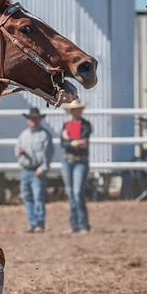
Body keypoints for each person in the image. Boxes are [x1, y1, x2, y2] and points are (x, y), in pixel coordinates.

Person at [15, 108, 53, 233]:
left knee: (38, 198)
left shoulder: (45, 135)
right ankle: (32, 223)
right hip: (26, 170)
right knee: (27, 197)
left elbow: (48, 154)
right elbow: (17, 150)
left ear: (39, 120)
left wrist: (43, 168)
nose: (33, 121)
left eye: (35, 119)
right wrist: (20, 154)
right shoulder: (23, 135)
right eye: (31, 119)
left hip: (38, 170)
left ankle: (39, 223)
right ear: (28, 120)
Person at [60, 99, 92, 233]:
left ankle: (82, 224)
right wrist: (75, 142)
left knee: (77, 192)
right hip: (69, 160)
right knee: (71, 193)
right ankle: (75, 224)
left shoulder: (85, 125)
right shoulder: (67, 125)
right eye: (74, 109)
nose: (76, 111)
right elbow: (64, 144)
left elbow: (82, 142)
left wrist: (69, 139)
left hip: (79, 160)